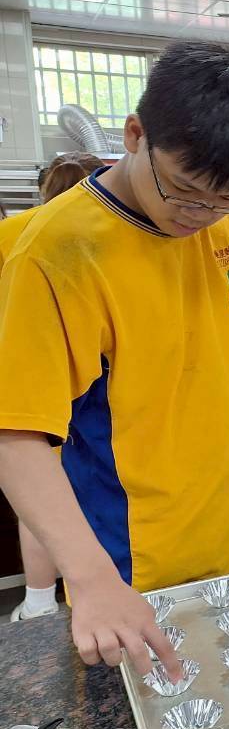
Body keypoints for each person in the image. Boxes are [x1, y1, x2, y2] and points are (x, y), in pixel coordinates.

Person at [0, 41, 229, 680]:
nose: (198, 216)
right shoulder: (57, 251)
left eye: (224, 199)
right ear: (135, 135)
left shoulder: (226, 226)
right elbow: (16, 433)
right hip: (142, 560)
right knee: (173, 725)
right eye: (183, 191)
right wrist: (90, 577)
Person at [0, 151, 101, 622]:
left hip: (31, 380)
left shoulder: (16, 232)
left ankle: (39, 600)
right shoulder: (90, 237)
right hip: (83, 387)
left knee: (39, 498)